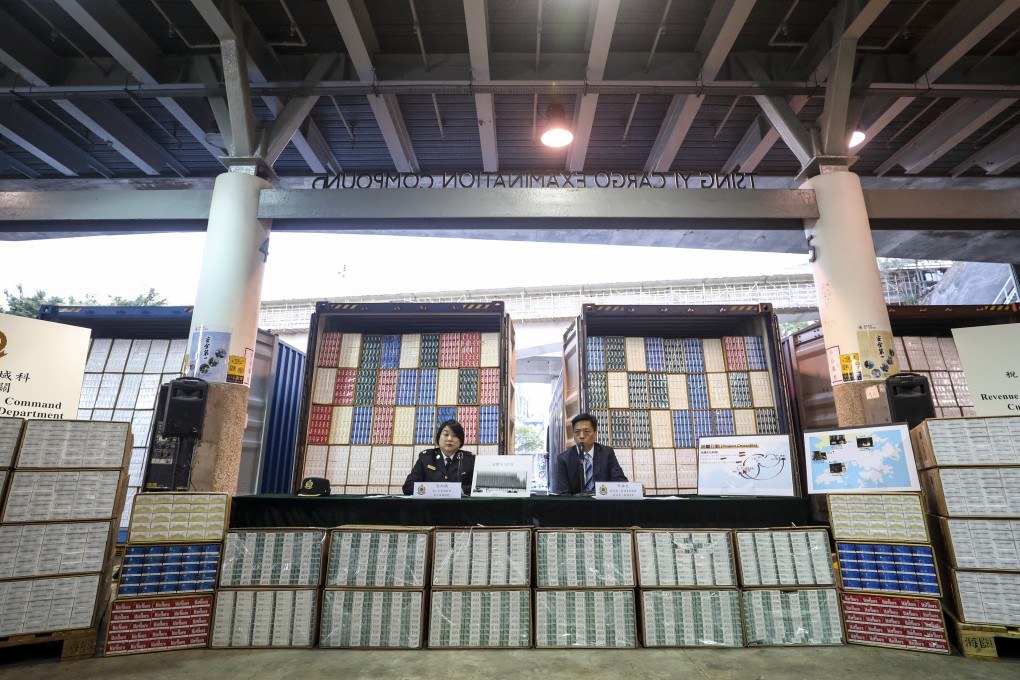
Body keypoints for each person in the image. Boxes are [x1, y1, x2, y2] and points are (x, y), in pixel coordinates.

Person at [552, 413, 628, 495]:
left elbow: (619, 480)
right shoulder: (564, 459)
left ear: (595, 434)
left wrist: (631, 489)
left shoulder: (607, 453)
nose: (581, 436)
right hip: (576, 505)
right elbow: (564, 493)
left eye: (586, 431)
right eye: (577, 432)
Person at [402, 419, 476, 496]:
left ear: (460, 441)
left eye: (454, 436)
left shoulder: (469, 460)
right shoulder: (426, 458)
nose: (449, 439)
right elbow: (408, 487)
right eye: (446, 435)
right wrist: (435, 490)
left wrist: (458, 490)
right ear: (439, 438)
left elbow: (479, 488)